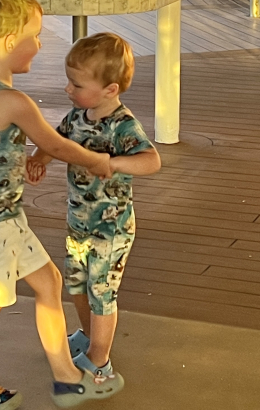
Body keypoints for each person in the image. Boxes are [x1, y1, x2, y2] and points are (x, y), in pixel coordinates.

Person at [0, 0, 121, 410]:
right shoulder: (12, 100)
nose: (40, 45)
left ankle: (65, 376)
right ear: (10, 43)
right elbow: (57, 144)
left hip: (3, 218)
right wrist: (98, 160)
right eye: (35, 36)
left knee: (49, 283)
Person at [26, 33, 160, 383]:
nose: (69, 89)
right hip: (79, 222)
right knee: (76, 283)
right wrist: (40, 157)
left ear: (110, 90)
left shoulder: (123, 125)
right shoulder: (77, 116)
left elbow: (151, 161)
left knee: (101, 290)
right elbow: (57, 141)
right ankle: (89, 336)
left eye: (77, 84)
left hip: (111, 228)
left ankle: (100, 359)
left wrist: (113, 163)